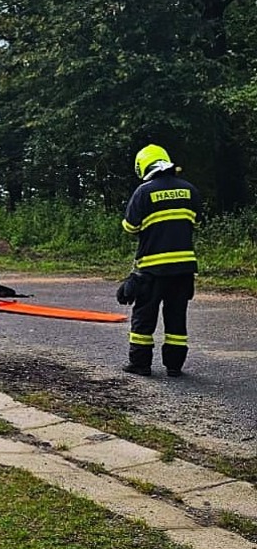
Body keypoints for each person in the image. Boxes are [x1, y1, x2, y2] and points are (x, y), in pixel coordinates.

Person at [121, 144, 202, 377]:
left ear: (143, 166)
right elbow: (196, 222)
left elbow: (130, 226)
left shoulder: (143, 192)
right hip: (184, 268)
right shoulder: (189, 190)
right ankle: (175, 366)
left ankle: (140, 364)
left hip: (152, 268)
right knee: (176, 316)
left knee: (144, 318)